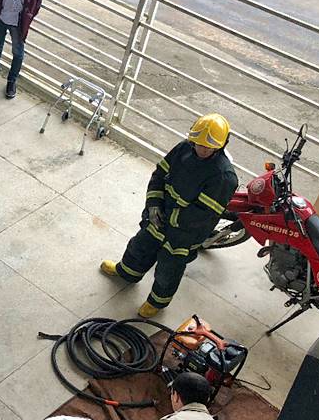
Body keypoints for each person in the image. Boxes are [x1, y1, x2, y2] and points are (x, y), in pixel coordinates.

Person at [101, 114, 239, 318]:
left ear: (220, 145)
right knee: (140, 247)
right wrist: (153, 205)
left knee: (169, 269)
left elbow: (203, 215)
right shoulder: (183, 149)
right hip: (159, 217)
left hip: (183, 234)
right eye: (198, 144)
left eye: (208, 147)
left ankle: (157, 302)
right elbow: (159, 175)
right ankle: (127, 272)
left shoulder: (223, 176)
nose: (202, 149)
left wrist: (169, 220)